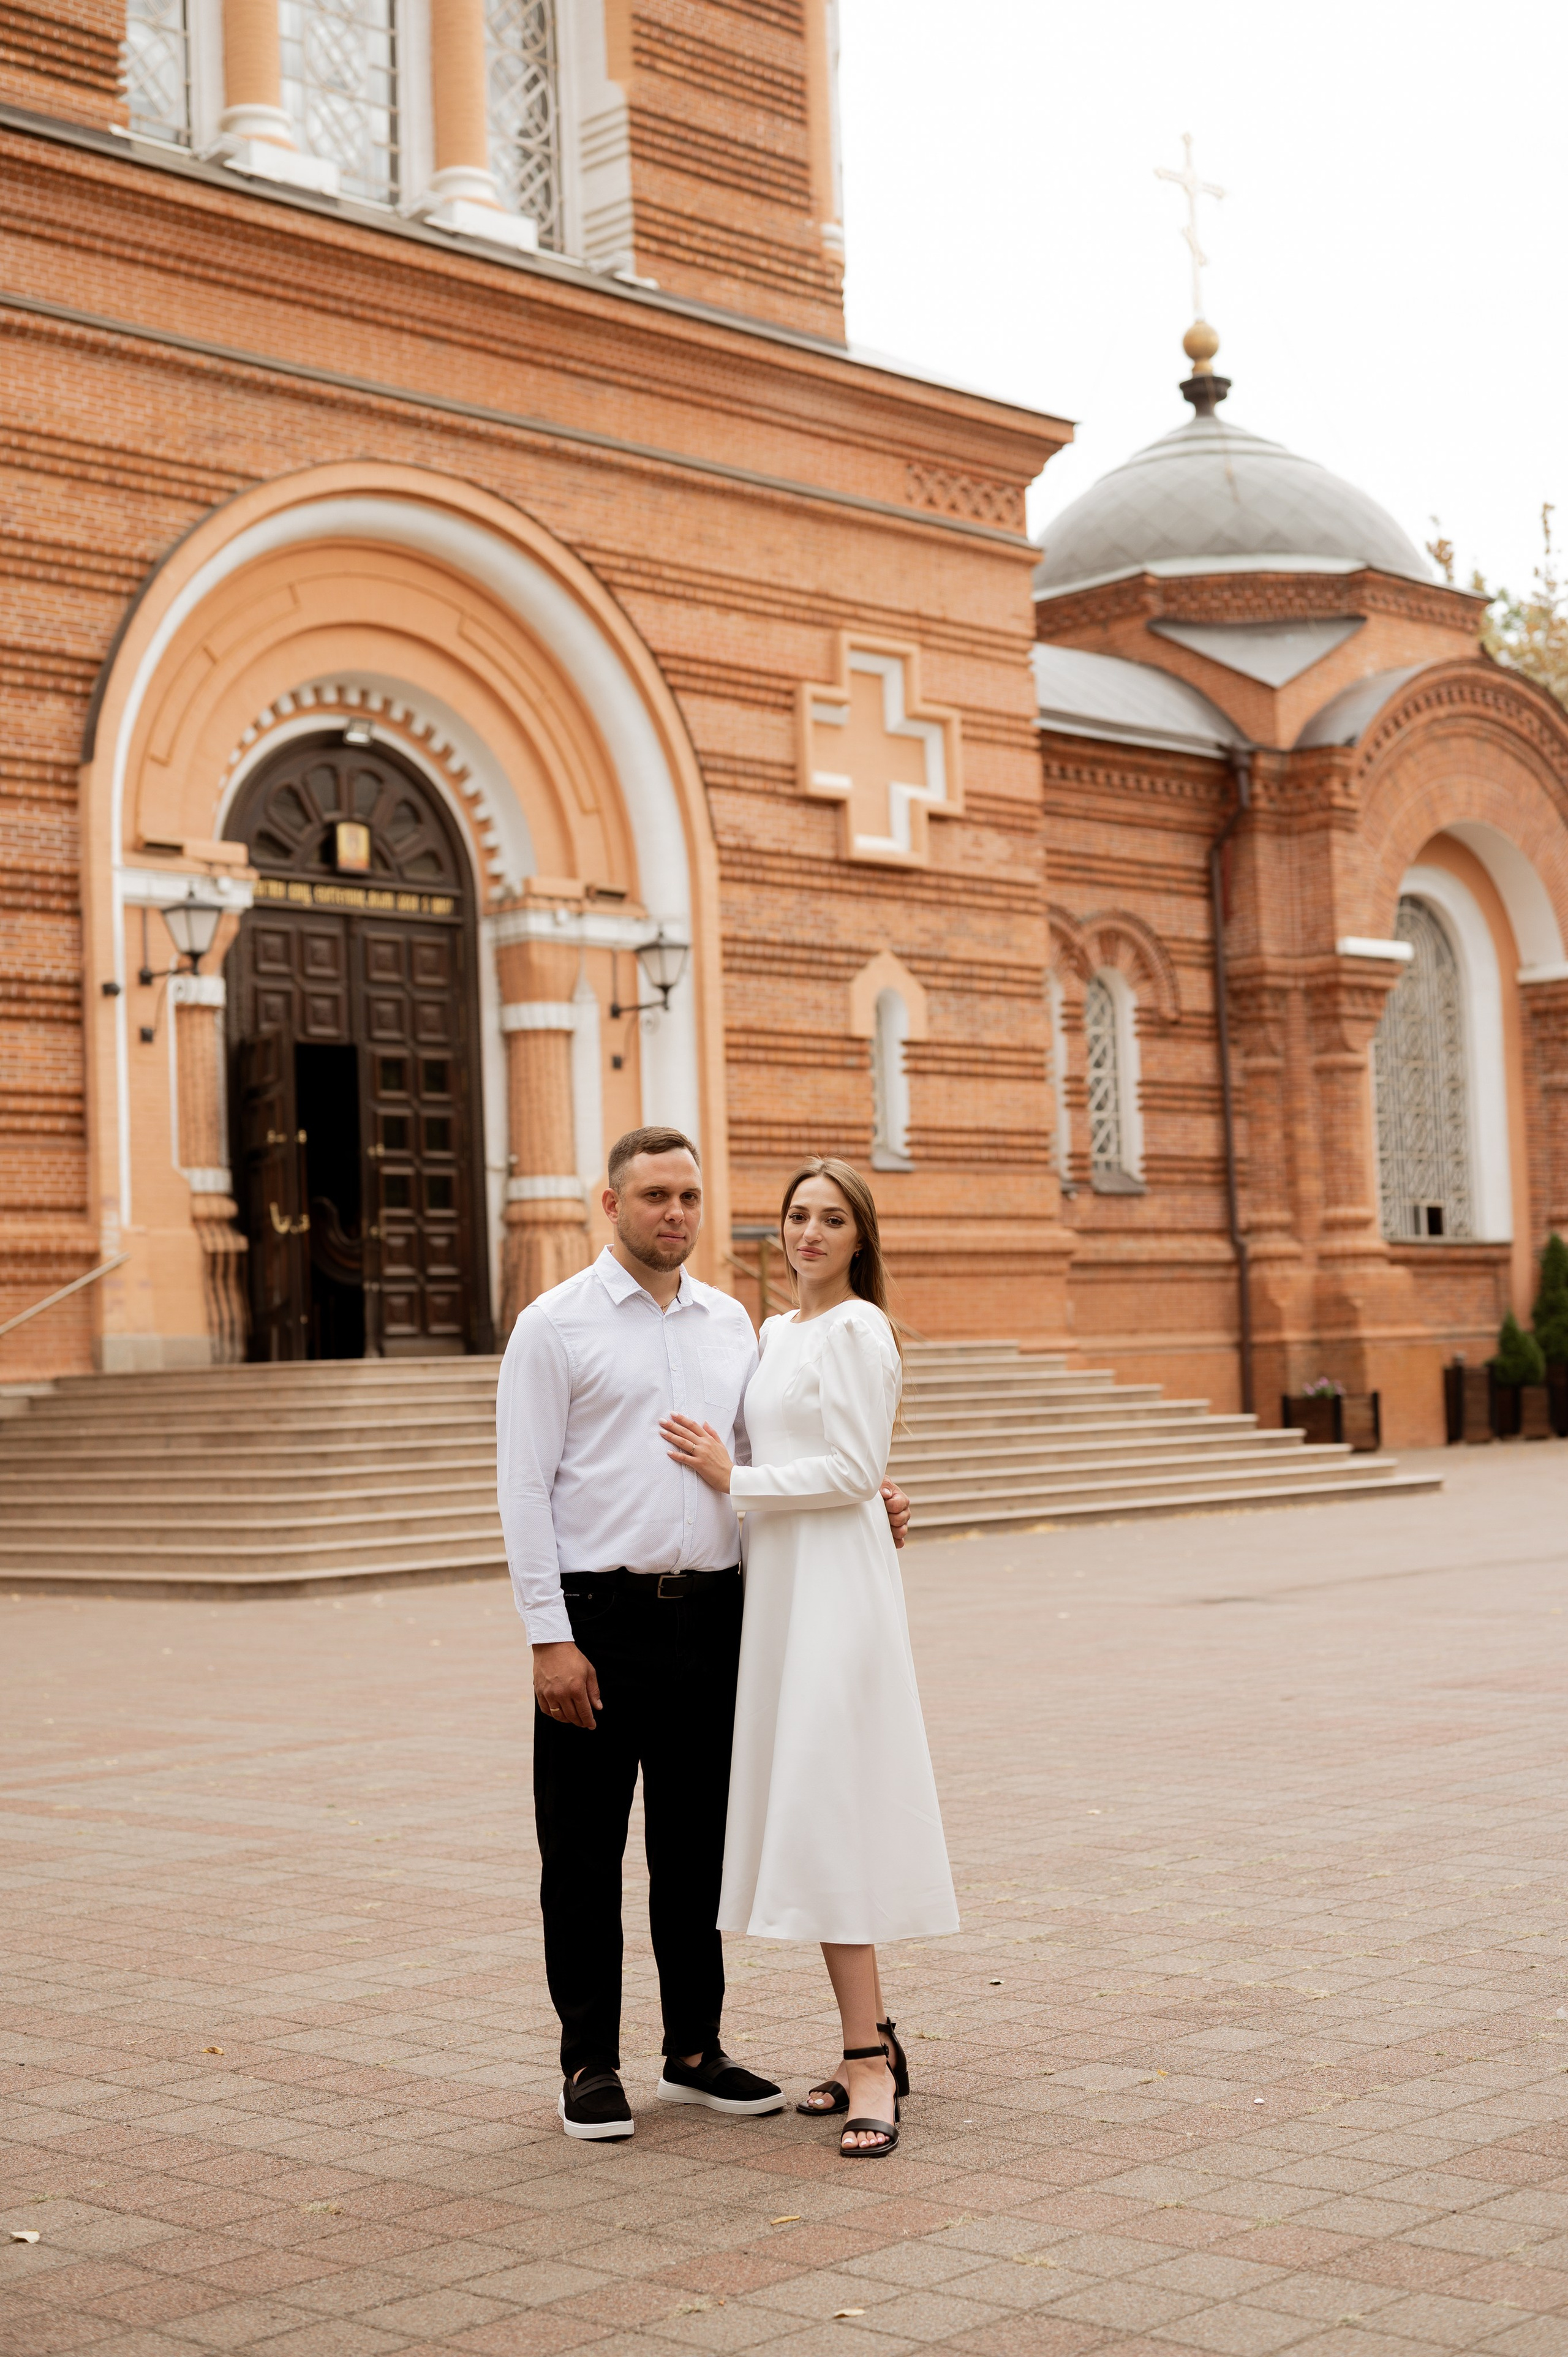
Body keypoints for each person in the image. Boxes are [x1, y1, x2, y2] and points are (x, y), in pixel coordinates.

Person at [496, 1126, 911, 2140]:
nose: (675, 1213)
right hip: (597, 1622)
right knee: (583, 1855)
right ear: (612, 1205)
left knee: (694, 1853)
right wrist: (549, 1636)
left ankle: (694, 2050)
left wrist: (871, 1499)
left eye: (688, 1196)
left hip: (717, 1618)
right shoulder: (554, 1326)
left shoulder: (736, 1325)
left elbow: (777, 1452)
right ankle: (589, 2062)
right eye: (654, 1197)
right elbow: (524, 1488)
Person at [662, 1156, 957, 2159]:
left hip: (837, 1592)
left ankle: (870, 2061)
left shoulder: (861, 1329)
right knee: (818, 1807)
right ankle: (867, 2042)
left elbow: (853, 1467)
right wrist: (745, 1480)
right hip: (782, 1589)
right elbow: (797, 1453)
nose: (811, 1233)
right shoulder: (773, 1331)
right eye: (798, 1216)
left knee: (834, 1804)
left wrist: (732, 1478)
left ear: (860, 1237)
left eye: (833, 1218)